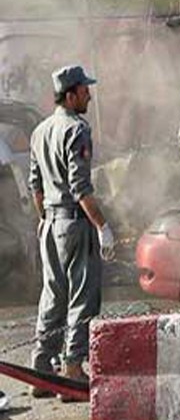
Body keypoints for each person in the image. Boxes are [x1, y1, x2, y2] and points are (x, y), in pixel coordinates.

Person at [28, 65, 115, 400]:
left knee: (52, 294)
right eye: (84, 90)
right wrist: (103, 226)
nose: (89, 95)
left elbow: (35, 185)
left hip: (49, 223)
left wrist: (45, 219)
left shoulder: (39, 131)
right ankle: (73, 368)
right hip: (74, 223)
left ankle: (41, 368)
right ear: (70, 95)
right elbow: (81, 189)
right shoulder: (77, 129)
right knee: (83, 294)